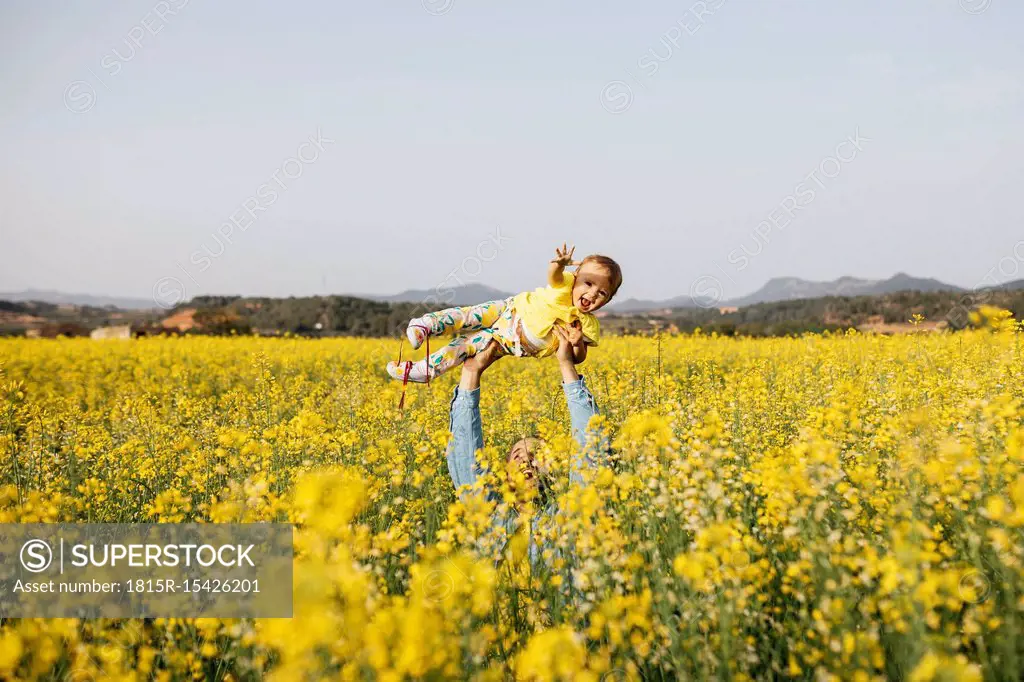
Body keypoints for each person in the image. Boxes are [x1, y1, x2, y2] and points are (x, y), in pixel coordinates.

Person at [445, 325, 608, 563]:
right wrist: (471, 372)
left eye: (538, 455)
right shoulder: (490, 516)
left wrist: (566, 364)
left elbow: (591, 448)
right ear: (505, 469)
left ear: (555, 470)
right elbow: (463, 455)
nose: (528, 460)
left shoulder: (568, 518)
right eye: (518, 455)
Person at [386, 244, 622, 383]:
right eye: (588, 283)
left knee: (465, 346)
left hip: (508, 340)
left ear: (608, 300)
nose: (591, 294)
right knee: (469, 315)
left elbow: (578, 358)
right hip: (511, 308)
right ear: (576, 277)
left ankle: (424, 370)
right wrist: (559, 264)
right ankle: (425, 325)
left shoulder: (587, 325)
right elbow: (554, 276)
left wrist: (577, 343)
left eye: (602, 293)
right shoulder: (566, 284)